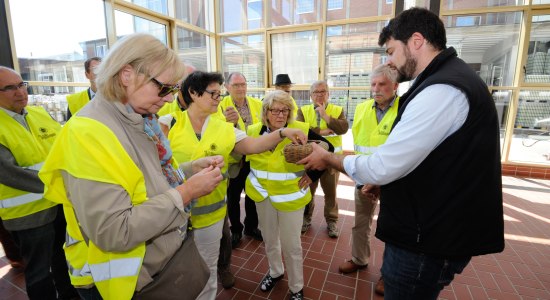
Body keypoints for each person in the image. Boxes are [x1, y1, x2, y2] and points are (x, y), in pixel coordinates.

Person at [298, 7, 504, 299]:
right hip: (428, 225)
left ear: (416, 41)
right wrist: (384, 180)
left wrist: (329, 158)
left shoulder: (441, 90)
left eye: (392, 51)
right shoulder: (445, 80)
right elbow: (428, 157)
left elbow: (385, 163)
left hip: (426, 240)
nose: (389, 61)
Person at [39, 33, 223, 300]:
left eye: (173, 90)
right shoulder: (88, 132)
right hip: (121, 285)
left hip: (152, 269)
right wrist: (187, 193)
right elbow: (114, 230)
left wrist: (190, 169)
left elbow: (145, 181)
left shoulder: (139, 117)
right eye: (164, 88)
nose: (170, 99)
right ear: (127, 75)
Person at [162, 71, 307, 300]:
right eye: (214, 94)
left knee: (208, 268)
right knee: (174, 273)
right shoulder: (167, 124)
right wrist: (190, 168)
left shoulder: (224, 128)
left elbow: (254, 145)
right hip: (173, 217)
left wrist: (281, 132)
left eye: (220, 94)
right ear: (193, 93)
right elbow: (154, 167)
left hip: (210, 216)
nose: (219, 99)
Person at [245, 90, 333, 300]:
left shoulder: (300, 129)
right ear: (266, 112)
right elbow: (243, 161)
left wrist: (313, 174)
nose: (281, 115)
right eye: (276, 110)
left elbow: (329, 148)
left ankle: (296, 287)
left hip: (290, 199)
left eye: (285, 110)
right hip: (262, 196)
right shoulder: (253, 131)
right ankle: (275, 272)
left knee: (292, 245)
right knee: (269, 239)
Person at [0, 66, 78, 300]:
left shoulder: (39, 113)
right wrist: (60, 183)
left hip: (59, 205)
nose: (20, 92)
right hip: (29, 216)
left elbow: (64, 149)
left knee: (65, 260)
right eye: (10, 88)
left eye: (21, 84)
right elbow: (10, 173)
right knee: (39, 273)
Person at [337, 64, 401, 296]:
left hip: (395, 182)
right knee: (361, 223)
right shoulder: (362, 108)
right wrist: (363, 178)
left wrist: (382, 181)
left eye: (381, 84)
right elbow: (359, 147)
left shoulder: (405, 109)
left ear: (395, 86)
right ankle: (359, 259)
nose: (376, 89)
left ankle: (389, 273)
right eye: (373, 84)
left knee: (392, 228)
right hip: (364, 180)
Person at [297, 80, 348, 237]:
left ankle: (332, 222)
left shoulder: (337, 109)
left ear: (328, 94)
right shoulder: (303, 110)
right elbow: (300, 130)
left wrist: (325, 115)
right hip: (310, 160)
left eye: (323, 91)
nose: (320, 95)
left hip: (331, 161)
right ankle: (306, 218)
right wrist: (323, 131)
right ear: (311, 95)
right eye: (316, 92)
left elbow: (343, 128)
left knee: (331, 194)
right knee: (307, 192)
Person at [218, 72, 263, 249]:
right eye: (236, 85)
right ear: (227, 87)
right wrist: (233, 124)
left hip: (254, 158)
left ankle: (251, 227)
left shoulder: (257, 104)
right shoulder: (220, 107)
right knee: (233, 196)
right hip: (235, 160)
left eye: (243, 84)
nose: (241, 88)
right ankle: (236, 229)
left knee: (253, 195)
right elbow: (219, 133)